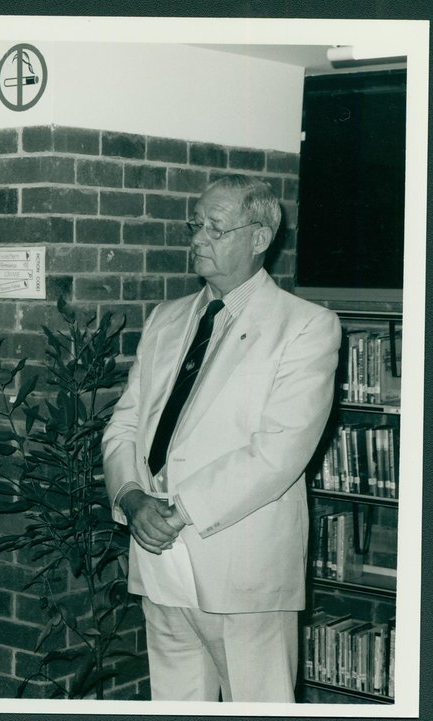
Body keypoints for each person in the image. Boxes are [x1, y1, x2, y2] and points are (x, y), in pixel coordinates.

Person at [101, 174, 341, 702]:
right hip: (158, 555)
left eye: (215, 227)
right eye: (195, 224)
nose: (197, 238)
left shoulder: (305, 326)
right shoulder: (166, 319)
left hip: (240, 561)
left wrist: (179, 510)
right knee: (174, 701)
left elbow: (280, 451)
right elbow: (124, 424)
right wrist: (132, 497)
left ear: (259, 238)